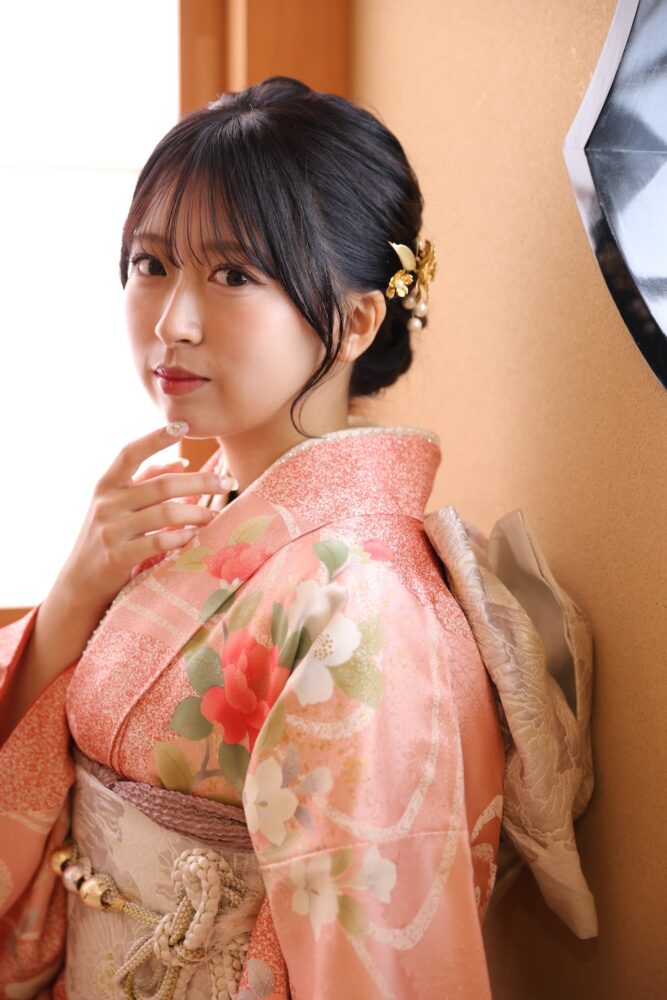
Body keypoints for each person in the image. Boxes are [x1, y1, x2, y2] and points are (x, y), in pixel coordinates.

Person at [0, 77, 597, 999]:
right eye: (150, 263)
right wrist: (76, 592)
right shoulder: (169, 521)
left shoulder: (365, 605)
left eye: (233, 275)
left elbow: (370, 960)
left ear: (356, 321)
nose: (172, 321)